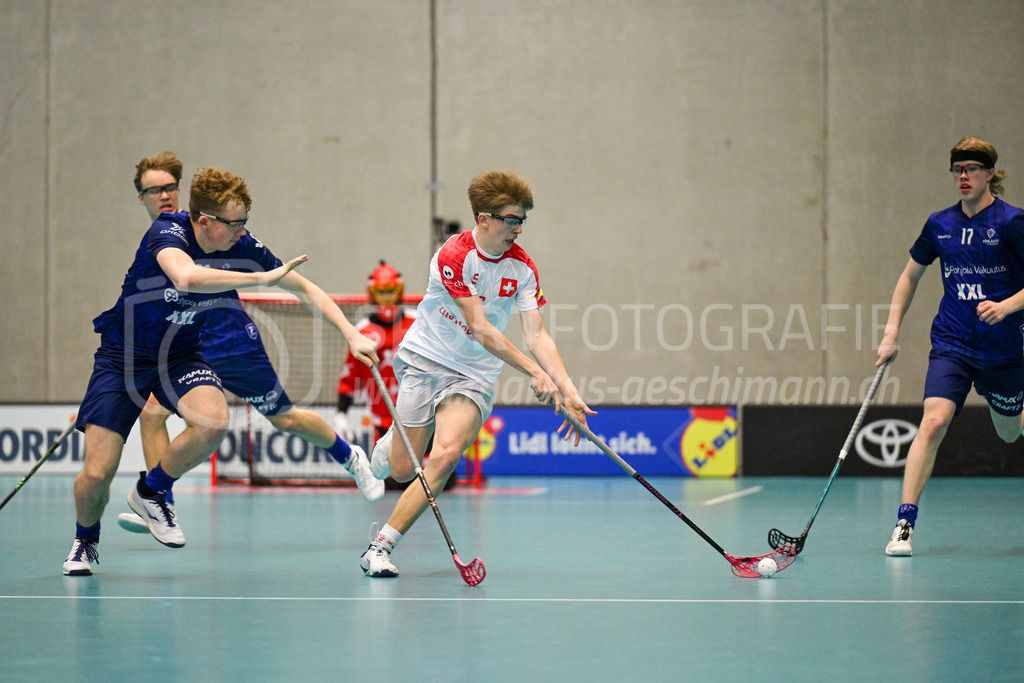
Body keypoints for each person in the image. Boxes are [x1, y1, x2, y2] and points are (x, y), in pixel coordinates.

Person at [63, 166, 379, 576]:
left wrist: (350, 332)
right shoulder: (167, 234)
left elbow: (304, 288)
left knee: (214, 423)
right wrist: (261, 278)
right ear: (204, 221)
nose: (242, 232)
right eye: (234, 224)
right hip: (124, 357)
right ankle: (85, 540)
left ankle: (152, 491)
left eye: (245, 222)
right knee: (96, 475)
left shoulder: (241, 243)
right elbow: (185, 275)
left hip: (181, 354)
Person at [358, 168, 595, 577]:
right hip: (425, 362)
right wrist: (533, 373)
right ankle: (386, 448)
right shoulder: (453, 255)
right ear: (484, 218)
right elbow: (482, 328)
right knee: (399, 469)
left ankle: (379, 547)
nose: (518, 229)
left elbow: (537, 335)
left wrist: (567, 388)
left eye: (523, 220)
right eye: (511, 220)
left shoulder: (522, 269)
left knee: (446, 453)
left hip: (472, 376)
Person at [878, 136, 1024, 557]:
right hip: (953, 342)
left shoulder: (1012, 223)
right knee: (934, 421)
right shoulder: (939, 224)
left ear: (990, 174)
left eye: (972, 168)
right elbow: (910, 276)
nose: (964, 176)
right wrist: (891, 332)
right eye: (957, 169)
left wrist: (1008, 306)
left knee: (1009, 432)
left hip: (1003, 349)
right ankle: (905, 523)